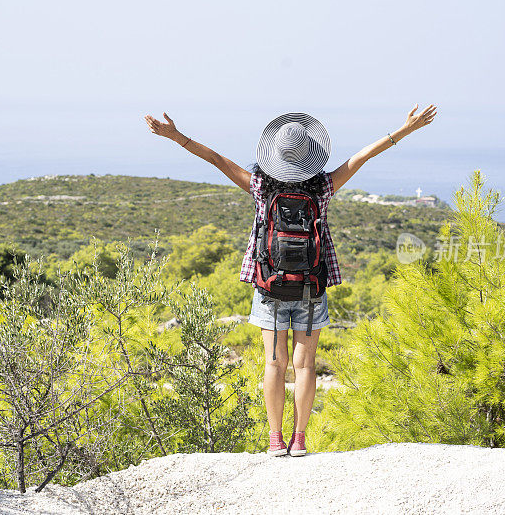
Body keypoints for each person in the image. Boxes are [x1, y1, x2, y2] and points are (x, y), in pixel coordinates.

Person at [144, 105, 437, 457]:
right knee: (305, 365)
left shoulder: (260, 188)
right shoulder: (323, 188)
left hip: (268, 287)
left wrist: (175, 136)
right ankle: (299, 440)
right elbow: (364, 156)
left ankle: (274, 439)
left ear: (273, 156)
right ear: (310, 156)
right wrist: (405, 129)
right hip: (311, 288)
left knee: (274, 363)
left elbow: (216, 159)